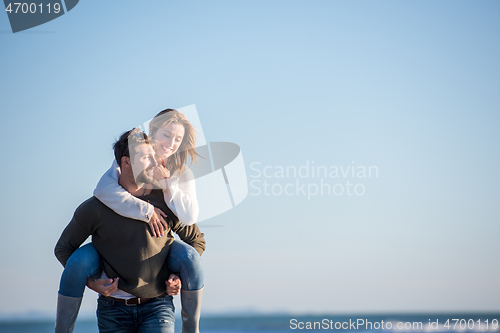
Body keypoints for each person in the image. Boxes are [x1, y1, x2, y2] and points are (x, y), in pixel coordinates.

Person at [55, 110, 205, 333]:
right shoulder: (100, 203)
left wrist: (178, 276)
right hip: (113, 308)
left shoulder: (167, 199)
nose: (156, 162)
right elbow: (63, 248)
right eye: (147, 157)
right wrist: (91, 283)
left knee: (188, 255)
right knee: (79, 259)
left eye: (177, 139)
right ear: (125, 162)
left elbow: (196, 240)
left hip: (158, 305)